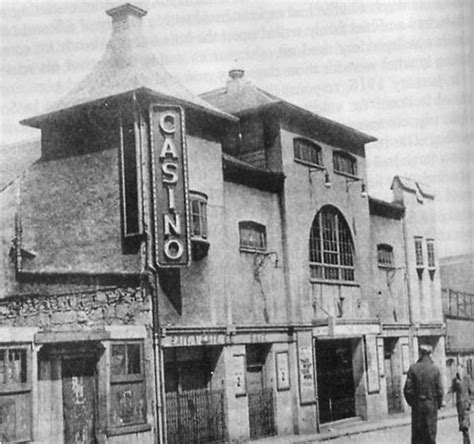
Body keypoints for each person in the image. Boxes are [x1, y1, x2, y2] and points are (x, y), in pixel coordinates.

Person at [403, 344, 444, 444]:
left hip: (418, 407)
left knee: (417, 436)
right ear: (430, 354)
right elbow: (440, 391)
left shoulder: (413, 368)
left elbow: (407, 390)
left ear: (420, 353)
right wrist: (437, 404)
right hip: (431, 406)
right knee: (430, 435)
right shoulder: (435, 369)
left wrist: (413, 403)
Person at [451, 363, 473, 444]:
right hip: (459, 406)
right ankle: (466, 440)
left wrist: (469, 401)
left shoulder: (467, 378)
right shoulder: (455, 380)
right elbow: (451, 390)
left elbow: (472, 391)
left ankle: (466, 442)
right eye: (457, 369)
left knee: (465, 425)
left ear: (463, 369)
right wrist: (444, 400)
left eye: (460, 369)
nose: (458, 371)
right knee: (462, 425)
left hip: (466, 405)